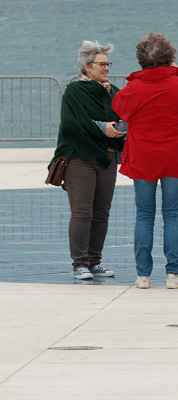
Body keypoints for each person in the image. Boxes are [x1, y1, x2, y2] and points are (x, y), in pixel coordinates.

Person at [113, 33, 178, 290]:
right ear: (169, 57)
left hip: (143, 156)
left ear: (141, 59)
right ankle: (173, 274)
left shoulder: (132, 88)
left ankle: (142, 275)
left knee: (143, 215)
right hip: (175, 156)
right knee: (172, 215)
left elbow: (119, 107)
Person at [55, 41, 125, 280]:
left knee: (102, 212)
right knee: (82, 212)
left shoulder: (114, 91)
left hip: (107, 157)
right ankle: (79, 264)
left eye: (108, 63)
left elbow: (122, 117)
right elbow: (72, 124)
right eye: (101, 64)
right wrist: (102, 128)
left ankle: (95, 262)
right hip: (80, 158)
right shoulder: (75, 91)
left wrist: (119, 129)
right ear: (87, 66)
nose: (106, 68)